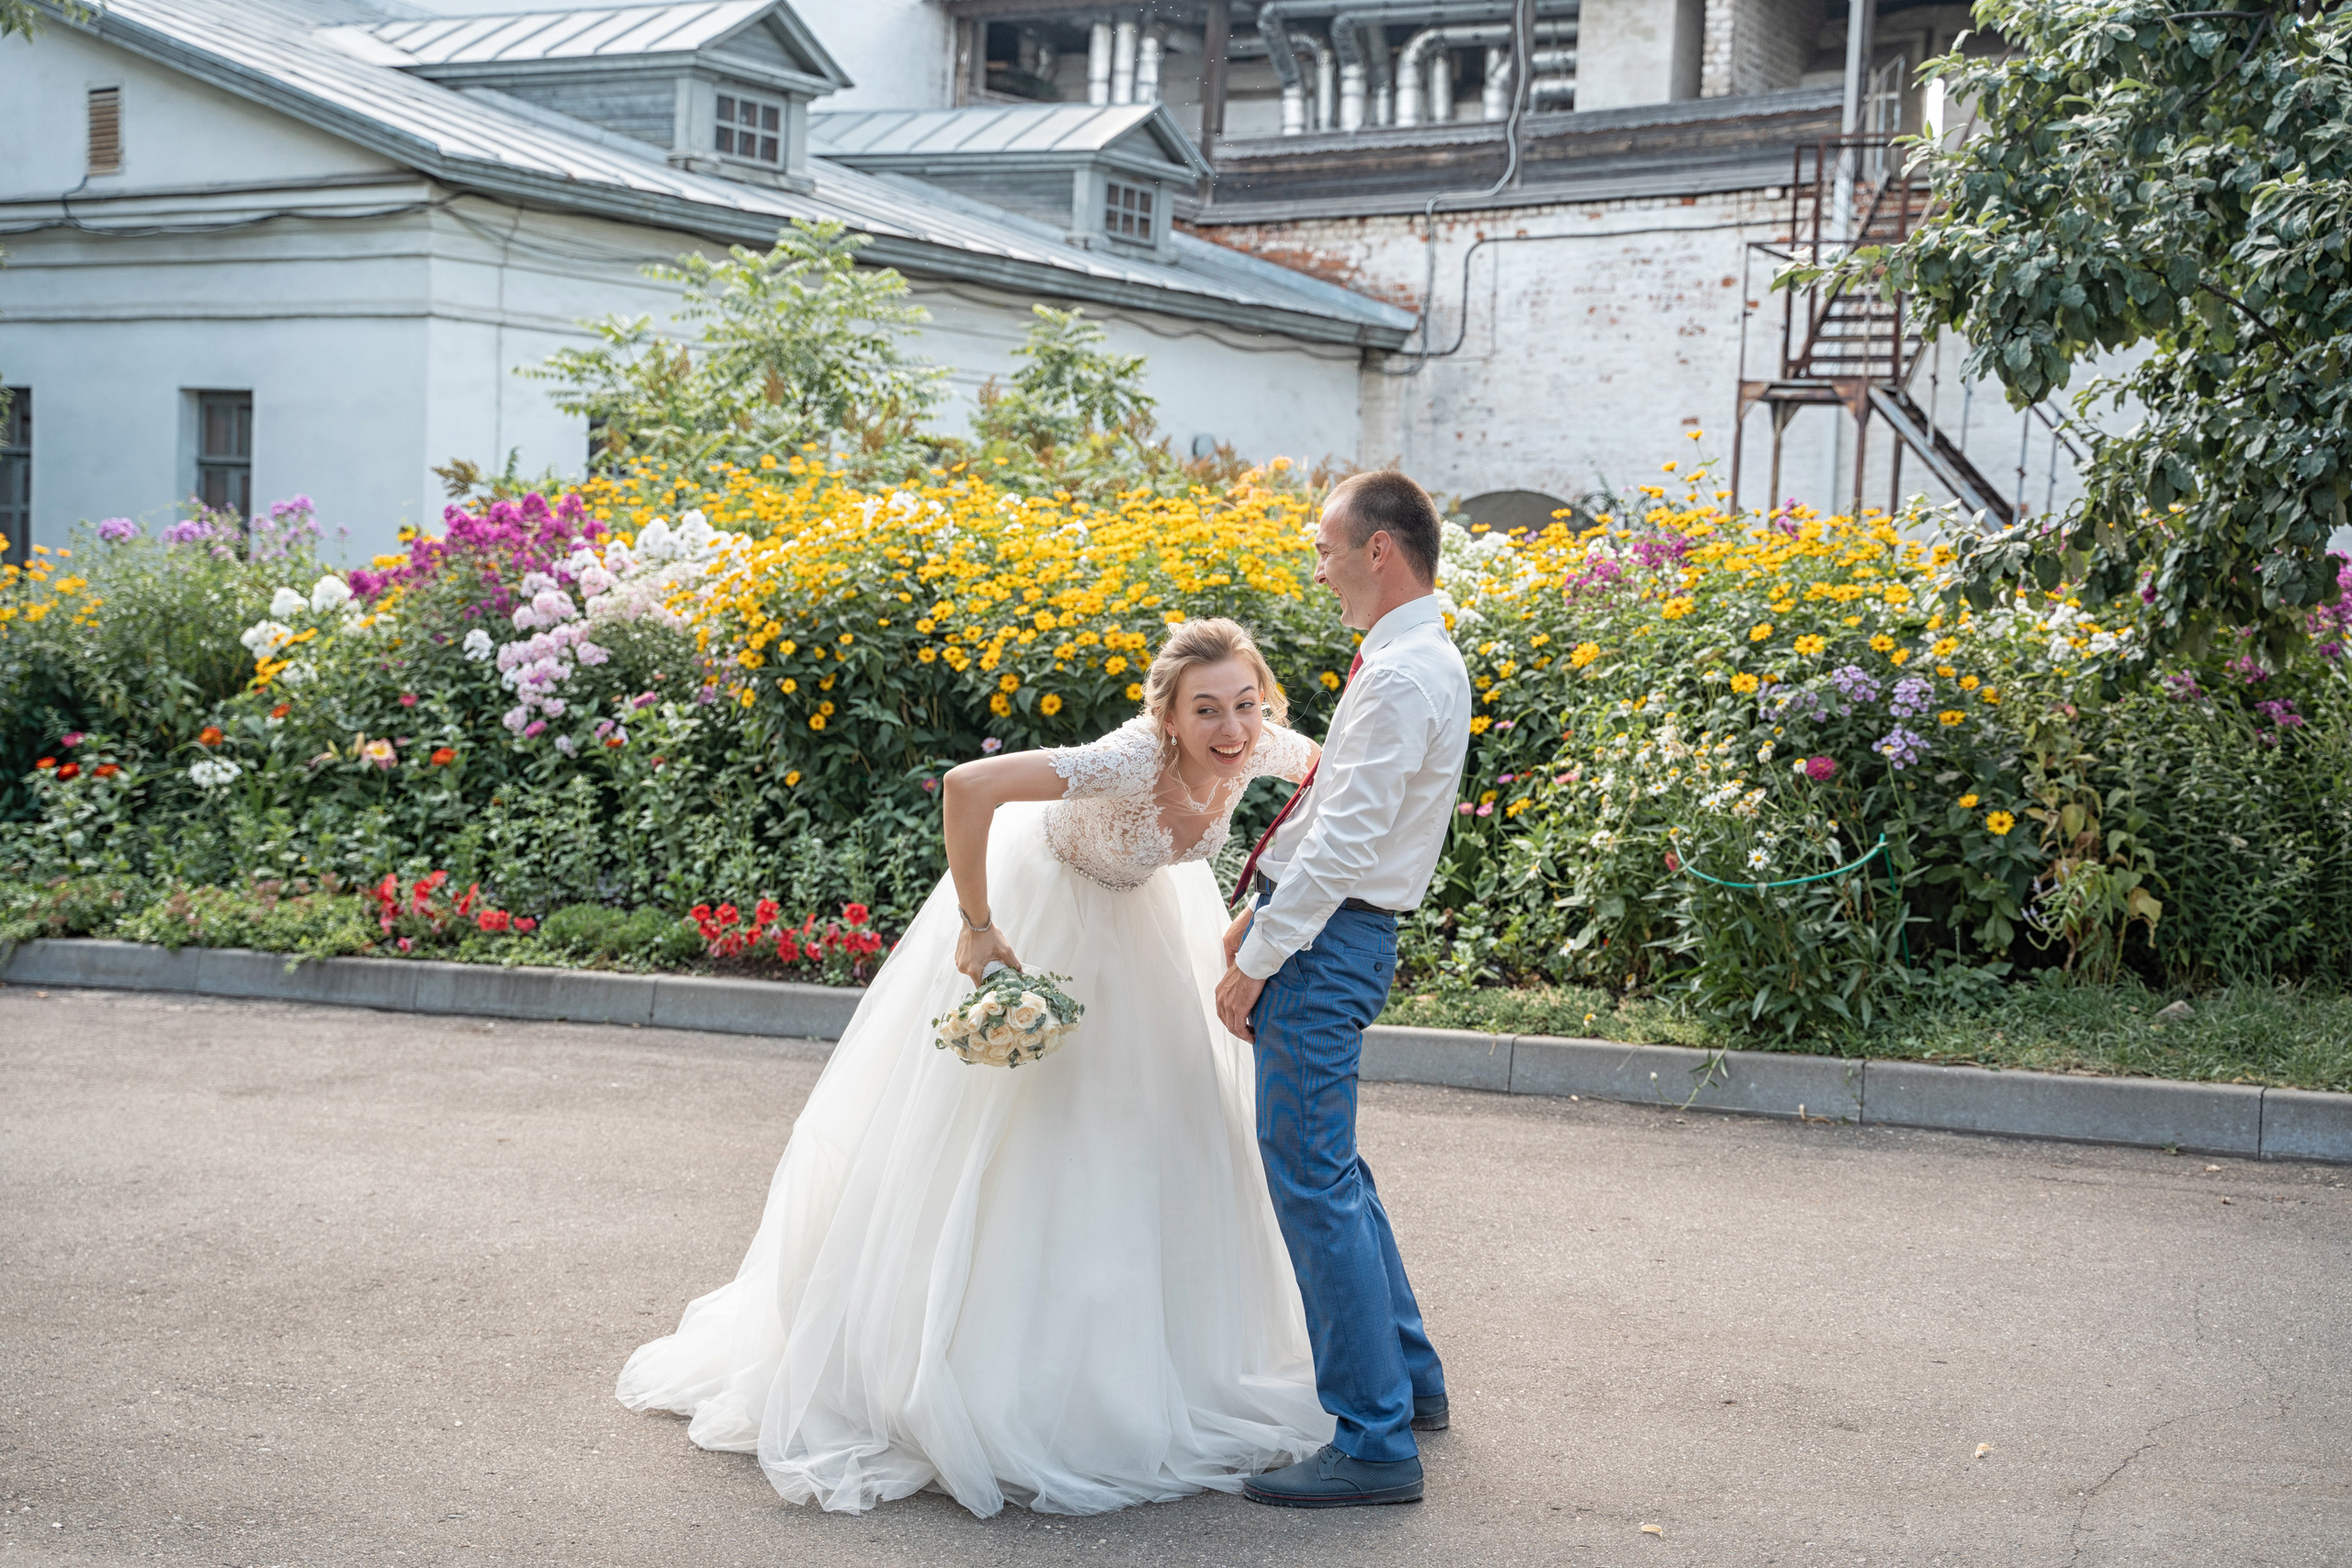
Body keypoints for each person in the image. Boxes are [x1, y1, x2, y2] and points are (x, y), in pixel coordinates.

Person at [616, 618, 1336, 1517]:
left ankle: (1154, 1357)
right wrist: (979, 924)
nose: (1230, 728)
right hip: (1054, 916)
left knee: (1153, 1138)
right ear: (1167, 715)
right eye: (1206, 710)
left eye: (1243, 703)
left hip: (1152, 928)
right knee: (1028, 1141)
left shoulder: (1262, 742)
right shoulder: (1123, 759)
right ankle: (980, 1363)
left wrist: (1269, 914)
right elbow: (969, 784)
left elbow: (1332, 784)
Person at [1215, 470, 1473, 1508]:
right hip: (1328, 933)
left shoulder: (1407, 674)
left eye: (1325, 548)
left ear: (1379, 551)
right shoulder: (1405, 658)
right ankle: (1406, 1389)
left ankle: (1372, 1445)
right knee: (1335, 1171)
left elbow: (1354, 839)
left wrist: (1257, 958)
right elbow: (1335, 811)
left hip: (1325, 950)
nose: (1316, 568)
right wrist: (1259, 907)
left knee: (1312, 1182)